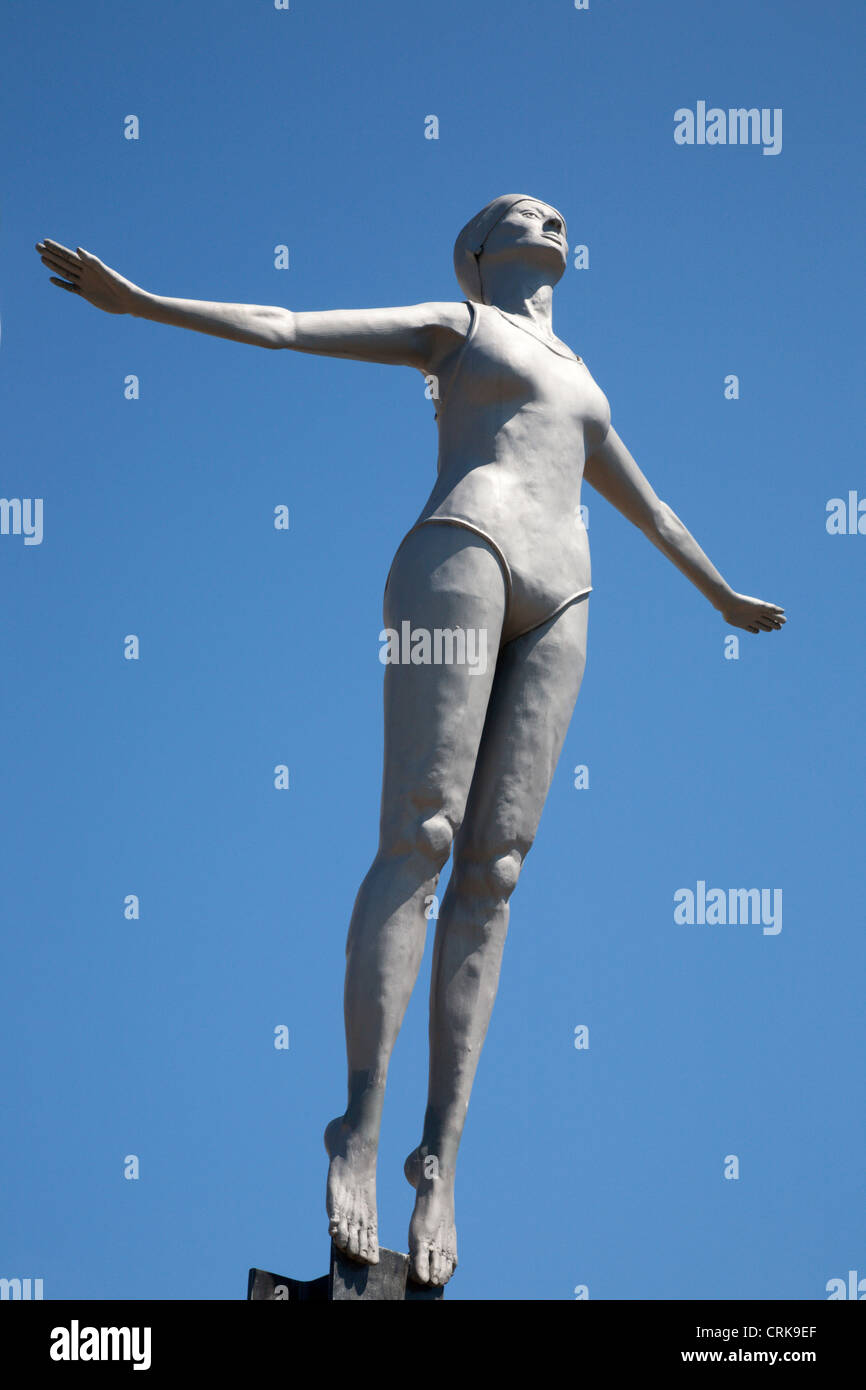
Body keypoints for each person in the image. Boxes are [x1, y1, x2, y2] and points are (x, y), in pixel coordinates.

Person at [36, 195, 785, 1288]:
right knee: (424, 836)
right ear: (477, 252)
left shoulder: (581, 378)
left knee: (495, 870)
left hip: (567, 594)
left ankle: (439, 1161)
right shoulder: (459, 325)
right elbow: (287, 322)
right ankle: (359, 1125)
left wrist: (719, 594)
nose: (546, 217)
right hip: (463, 547)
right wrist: (141, 302)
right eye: (516, 212)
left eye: (556, 210)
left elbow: (650, 506)